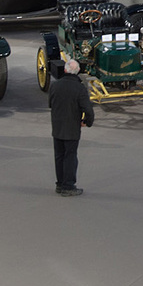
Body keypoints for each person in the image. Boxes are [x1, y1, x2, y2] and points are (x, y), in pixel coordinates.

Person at [48, 57, 94, 195]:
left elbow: (50, 104)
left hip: (57, 127)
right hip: (72, 127)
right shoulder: (79, 88)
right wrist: (87, 122)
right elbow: (88, 110)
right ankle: (68, 186)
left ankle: (60, 184)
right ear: (78, 71)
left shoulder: (55, 85)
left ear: (65, 69)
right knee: (70, 156)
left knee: (59, 156)